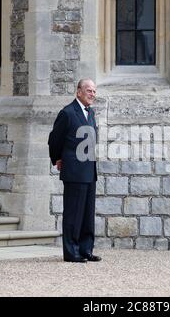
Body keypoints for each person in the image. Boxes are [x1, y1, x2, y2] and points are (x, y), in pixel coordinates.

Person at [48, 79, 102, 263]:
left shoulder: (91, 113)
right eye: (89, 90)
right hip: (74, 171)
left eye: (94, 91)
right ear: (78, 91)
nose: (92, 94)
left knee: (87, 212)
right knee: (73, 213)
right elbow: (54, 139)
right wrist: (57, 158)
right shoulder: (68, 113)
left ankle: (86, 249)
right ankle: (72, 252)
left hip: (89, 169)